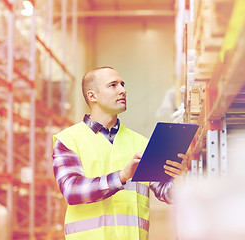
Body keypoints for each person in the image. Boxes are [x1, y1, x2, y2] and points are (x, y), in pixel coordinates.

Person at [52, 66, 189, 240]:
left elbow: (167, 194)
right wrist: (122, 176)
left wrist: (181, 176)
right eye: (113, 85)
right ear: (92, 96)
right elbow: (72, 191)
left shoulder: (141, 143)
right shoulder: (69, 140)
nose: (123, 90)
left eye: (122, 84)